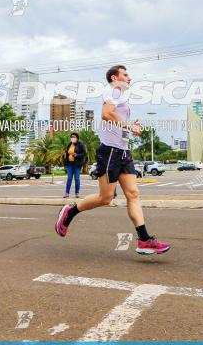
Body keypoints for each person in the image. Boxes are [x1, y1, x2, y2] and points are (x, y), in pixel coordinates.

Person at [54, 65, 170, 255]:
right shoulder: (114, 91)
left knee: (133, 194)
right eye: (125, 74)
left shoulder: (121, 96)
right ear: (115, 78)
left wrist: (129, 126)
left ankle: (144, 240)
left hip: (123, 151)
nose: (129, 77)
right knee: (105, 198)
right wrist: (129, 126)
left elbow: (115, 121)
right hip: (109, 153)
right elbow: (106, 115)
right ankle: (70, 211)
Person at [62, 132, 87, 199]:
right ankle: (67, 193)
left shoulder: (80, 144)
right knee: (69, 178)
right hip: (70, 163)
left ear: (77, 138)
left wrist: (77, 155)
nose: (73, 138)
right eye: (72, 137)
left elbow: (84, 153)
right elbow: (67, 154)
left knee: (77, 178)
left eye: (74, 137)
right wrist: (65, 163)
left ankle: (77, 193)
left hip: (77, 164)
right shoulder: (69, 144)